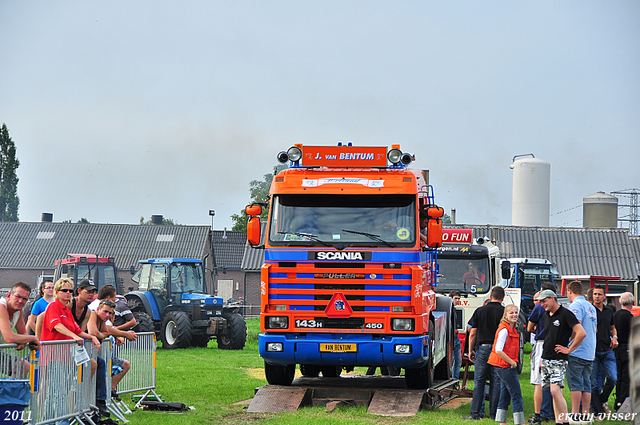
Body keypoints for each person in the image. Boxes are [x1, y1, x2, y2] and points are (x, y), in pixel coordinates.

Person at [537, 289, 585, 425]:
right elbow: (547, 338)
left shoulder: (566, 314)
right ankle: (559, 420)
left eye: (544, 301)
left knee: (554, 390)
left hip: (559, 359)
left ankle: (565, 421)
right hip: (546, 358)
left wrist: (569, 349)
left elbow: (581, 333)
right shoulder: (546, 315)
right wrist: (542, 359)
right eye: (540, 302)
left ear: (552, 298)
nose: (542, 304)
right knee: (554, 392)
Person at [463, 286, 505, 421]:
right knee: (496, 382)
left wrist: (470, 350)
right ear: (502, 298)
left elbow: (472, 333)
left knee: (479, 381)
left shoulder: (480, 311)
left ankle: (475, 413)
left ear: (491, 296)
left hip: (482, 348)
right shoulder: (505, 312)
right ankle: (494, 414)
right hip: (498, 349)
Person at [87, 292, 136, 401]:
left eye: (110, 313)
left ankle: (107, 394)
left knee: (104, 365)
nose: (107, 315)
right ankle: (94, 400)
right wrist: (104, 335)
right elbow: (94, 332)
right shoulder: (93, 314)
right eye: (105, 312)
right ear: (99, 309)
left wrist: (113, 334)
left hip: (99, 356)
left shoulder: (103, 321)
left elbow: (107, 330)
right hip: (84, 354)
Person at [566, 280, 597, 422]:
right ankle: (585, 413)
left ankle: (574, 414)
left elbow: (575, 326)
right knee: (586, 384)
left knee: (575, 383)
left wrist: (568, 344)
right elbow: (594, 329)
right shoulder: (591, 307)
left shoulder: (575, 305)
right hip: (589, 350)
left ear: (569, 291)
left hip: (577, 350)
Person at [489, 304, 524, 425]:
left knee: (505, 396)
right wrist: (512, 362)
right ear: (505, 315)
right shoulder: (504, 329)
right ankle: (520, 422)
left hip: (504, 366)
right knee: (517, 396)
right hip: (505, 366)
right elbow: (499, 349)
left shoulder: (511, 328)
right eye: (511, 313)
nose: (514, 315)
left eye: (516, 312)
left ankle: (502, 422)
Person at [0, 282, 40, 377]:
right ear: (9, 295)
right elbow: (9, 338)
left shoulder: (18, 311)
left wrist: (24, 341)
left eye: (24, 299)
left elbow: (22, 333)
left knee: (23, 366)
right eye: (18, 296)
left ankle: (13, 392)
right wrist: (32, 339)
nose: (20, 301)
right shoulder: (1, 307)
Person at [527, 289, 555, 424]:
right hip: (555, 345)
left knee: (538, 381)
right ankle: (554, 412)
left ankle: (540, 414)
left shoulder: (539, 308)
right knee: (555, 381)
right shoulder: (561, 311)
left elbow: (529, 327)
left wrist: (536, 329)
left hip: (541, 343)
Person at [590, 285, 618, 416]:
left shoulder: (608, 311)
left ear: (604, 296)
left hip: (607, 349)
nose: (597, 296)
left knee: (613, 378)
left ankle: (602, 400)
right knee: (594, 383)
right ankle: (597, 411)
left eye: (599, 294)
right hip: (593, 350)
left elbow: (613, 327)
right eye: (595, 294)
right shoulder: (589, 310)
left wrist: (615, 337)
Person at [613, 292, 634, 411]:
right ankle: (624, 404)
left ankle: (617, 402)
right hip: (627, 348)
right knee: (627, 377)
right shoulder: (629, 316)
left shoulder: (616, 315)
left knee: (619, 377)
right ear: (632, 302)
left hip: (617, 348)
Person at [450, 290, 462, 380]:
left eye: (458, 299)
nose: (457, 300)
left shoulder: (454, 309)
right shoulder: (449, 310)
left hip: (456, 337)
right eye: (455, 298)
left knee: (458, 360)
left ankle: (455, 379)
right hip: (451, 338)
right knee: (453, 360)